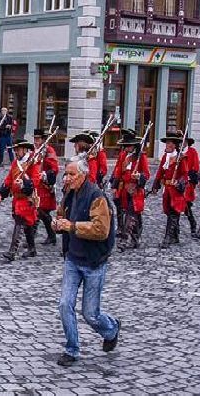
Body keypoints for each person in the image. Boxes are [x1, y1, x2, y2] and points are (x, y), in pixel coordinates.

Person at [52, 157, 120, 367]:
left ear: (83, 175)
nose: (68, 178)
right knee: (65, 304)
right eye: (67, 174)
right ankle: (72, 349)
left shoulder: (96, 197)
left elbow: (101, 230)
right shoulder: (69, 194)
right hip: (73, 258)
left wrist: (71, 226)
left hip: (93, 262)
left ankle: (111, 329)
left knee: (90, 314)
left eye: (72, 174)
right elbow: (62, 216)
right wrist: (57, 223)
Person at [0, 140, 41, 262]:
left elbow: (36, 180)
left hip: (27, 198)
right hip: (17, 198)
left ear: (25, 150)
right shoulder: (16, 162)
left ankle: (12, 251)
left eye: (18, 149)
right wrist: (2, 192)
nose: (16, 152)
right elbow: (9, 179)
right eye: (15, 150)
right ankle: (32, 249)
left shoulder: (33, 162)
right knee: (27, 225)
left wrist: (25, 183)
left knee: (20, 221)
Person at [109, 129, 149, 251]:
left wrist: (139, 177)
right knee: (132, 213)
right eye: (125, 146)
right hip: (124, 189)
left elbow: (146, 174)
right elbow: (118, 172)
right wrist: (115, 186)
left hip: (135, 189)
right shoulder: (123, 155)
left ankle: (124, 240)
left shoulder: (140, 157)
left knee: (131, 214)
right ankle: (136, 239)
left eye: (128, 146)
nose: (126, 148)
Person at [150, 132, 190, 247]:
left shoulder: (181, 158)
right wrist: (155, 185)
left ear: (175, 145)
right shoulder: (165, 157)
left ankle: (167, 238)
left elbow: (185, 174)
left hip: (175, 190)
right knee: (169, 212)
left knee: (174, 212)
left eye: (170, 143)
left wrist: (179, 182)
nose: (167, 145)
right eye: (167, 143)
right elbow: (160, 172)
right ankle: (175, 235)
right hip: (167, 189)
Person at [33, 128, 60, 247]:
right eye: (35, 138)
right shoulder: (35, 150)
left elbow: (54, 169)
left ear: (43, 139)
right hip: (36, 185)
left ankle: (52, 235)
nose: (35, 141)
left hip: (45, 185)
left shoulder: (49, 151)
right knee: (36, 211)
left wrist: (45, 174)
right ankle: (31, 237)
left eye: (38, 139)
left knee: (42, 212)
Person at [182, 138, 200, 235]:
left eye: (184, 141)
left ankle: (192, 224)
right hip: (177, 181)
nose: (182, 143)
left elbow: (196, 167)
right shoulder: (176, 152)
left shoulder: (192, 152)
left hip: (187, 183)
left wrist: (191, 177)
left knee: (187, 205)